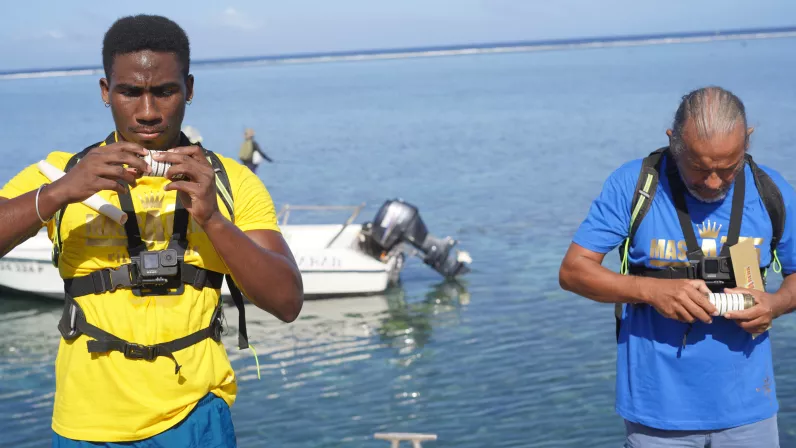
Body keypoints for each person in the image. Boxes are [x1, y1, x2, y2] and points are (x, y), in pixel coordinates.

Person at [0, 14, 303, 447]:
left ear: (189, 90)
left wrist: (213, 220)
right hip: (87, 425)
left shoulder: (229, 180)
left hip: (196, 418)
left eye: (164, 91)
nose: (147, 111)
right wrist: (58, 194)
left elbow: (287, 301)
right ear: (106, 92)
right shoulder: (61, 172)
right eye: (130, 92)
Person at [559, 86, 796, 447]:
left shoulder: (771, 191)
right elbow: (574, 271)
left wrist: (775, 305)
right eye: (699, 168)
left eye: (728, 169)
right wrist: (651, 291)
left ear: (746, 142)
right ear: (674, 143)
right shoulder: (634, 185)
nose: (714, 183)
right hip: (657, 412)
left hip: (749, 409)